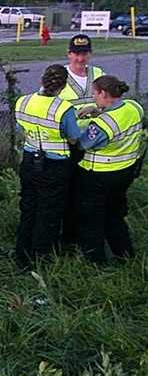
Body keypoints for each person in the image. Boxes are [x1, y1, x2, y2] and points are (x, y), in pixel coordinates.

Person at [14, 65, 81, 267]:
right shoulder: (63, 108)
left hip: (29, 160)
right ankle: (42, 257)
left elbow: (21, 127)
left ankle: (22, 254)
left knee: (28, 207)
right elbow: (73, 138)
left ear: (41, 80)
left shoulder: (23, 101)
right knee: (49, 212)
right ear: (63, 86)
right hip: (55, 166)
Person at [74, 75, 145, 263]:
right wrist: (98, 109)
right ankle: (125, 254)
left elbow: (82, 143)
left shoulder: (103, 124)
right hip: (126, 171)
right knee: (115, 215)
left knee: (91, 218)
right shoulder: (134, 107)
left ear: (103, 93)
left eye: (94, 94)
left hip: (99, 175)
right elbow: (120, 117)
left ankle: (94, 260)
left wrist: (79, 122)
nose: (93, 98)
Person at [59, 34, 105, 250]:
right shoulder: (60, 77)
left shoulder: (97, 74)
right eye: (76, 53)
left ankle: (86, 232)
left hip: (95, 141)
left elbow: (108, 101)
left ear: (90, 54)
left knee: (89, 190)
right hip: (71, 142)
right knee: (70, 189)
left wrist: (99, 109)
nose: (80, 58)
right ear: (69, 54)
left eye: (84, 53)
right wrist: (78, 113)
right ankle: (69, 235)